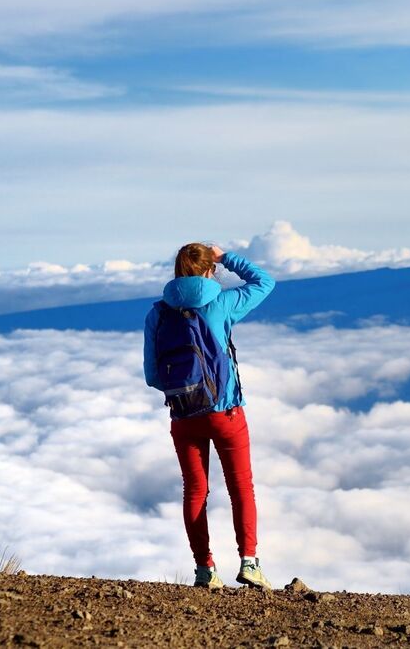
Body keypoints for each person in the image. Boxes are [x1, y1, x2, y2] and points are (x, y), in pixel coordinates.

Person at [143, 242, 275, 589]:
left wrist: (186, 391)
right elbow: (264, 282)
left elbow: (153, 376)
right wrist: (226, 257)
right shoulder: (222, 303)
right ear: (208, 271)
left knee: (195, 490)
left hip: (184, 415)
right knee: (240, 487)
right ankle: (249, 563)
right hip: (226, 412)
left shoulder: (158, 313)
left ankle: (205, 570)